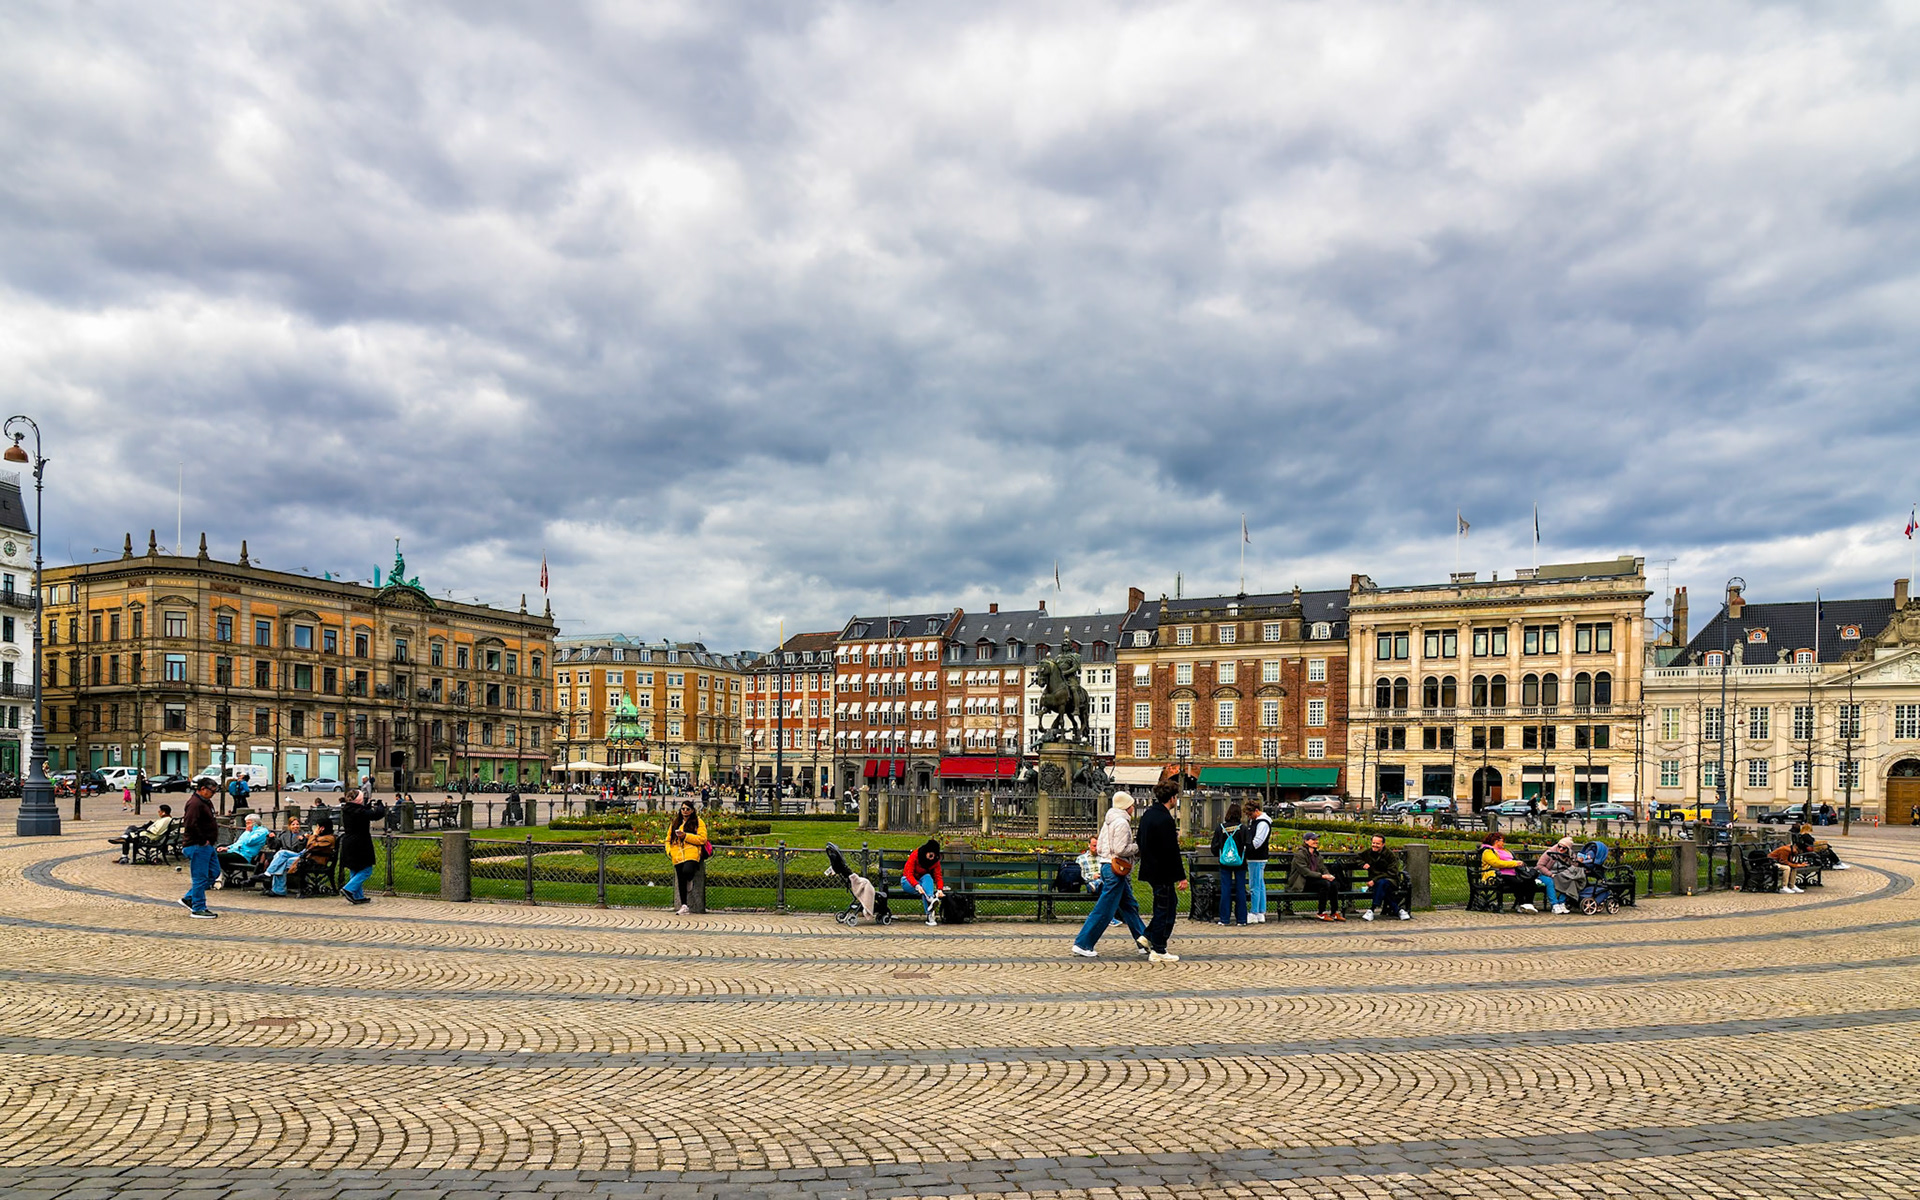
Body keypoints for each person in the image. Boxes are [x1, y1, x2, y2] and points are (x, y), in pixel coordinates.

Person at [1071, 792, 1151, 957]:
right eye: (1131, 804)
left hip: (1106, 866)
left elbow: (1100, 848)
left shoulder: (1108, 822)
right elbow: (1121, 849)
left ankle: (1145, 941)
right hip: (1116, 868)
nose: (1133, 807)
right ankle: (1083, 943)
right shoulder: (1121, 822)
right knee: (1105, 909)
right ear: (1126, 806)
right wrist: (1138, 847)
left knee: (1130, 906)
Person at [1137, 781, 1188, 962]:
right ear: (1172, 798)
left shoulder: (1148, 815)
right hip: (1163, 871)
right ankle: (1158, 948)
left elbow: (1139, 839)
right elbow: (1171, 850)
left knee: (1167, 904)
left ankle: (1149, 935)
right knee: (1164, 909)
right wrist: (1181, 876)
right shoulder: (1165, 819)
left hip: (1150, 868)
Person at [338, 787, 388, 905]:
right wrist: (380, 805)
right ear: (359, 799)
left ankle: (358, 895)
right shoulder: (359, 811)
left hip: (349, 842)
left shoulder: (349, 809)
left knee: (355, 868)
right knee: (366, 870)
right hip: (359, 843)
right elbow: (377, 815)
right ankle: (349, 889)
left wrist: (368, 806)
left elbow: (362, 812)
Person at [179, 778, 220, 918]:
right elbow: (190, 824)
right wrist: (203, 840)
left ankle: (190, 897)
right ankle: (198, 907)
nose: (213, 794)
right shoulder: (195, 804)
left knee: (214, 873)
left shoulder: (205, 802)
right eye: (212, 791)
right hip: (197, 845)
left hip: (205, 845)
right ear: (202, 789)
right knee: (200, 877)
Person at [1288, 832, 1343, 920]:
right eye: (1313, 840)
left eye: (1317, 840)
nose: (1316, 842)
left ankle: (1334, 912)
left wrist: (1328, 875)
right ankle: (1321, 912)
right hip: (1302, 882)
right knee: (1325, 884)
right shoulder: (1300, 854)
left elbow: (1322, 867)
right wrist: (1322, 876)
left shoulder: (1317, 855)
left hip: (1315, 880)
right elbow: (1305, 872)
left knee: (1334, 884)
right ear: (1306, 841)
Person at [1212, 803, 1251, 925]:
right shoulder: (1243, 828)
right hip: (1240, 863)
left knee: (1225, 890)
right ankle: (1242, 919)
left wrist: (1220, 854)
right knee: (1240, 890)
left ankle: (1224, 919)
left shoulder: (1220, 828)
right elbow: (1249, 845)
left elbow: (1214, 846)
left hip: (1224, 863)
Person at [666, 799, 707, 914]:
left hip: (691, 853)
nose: (685, 811)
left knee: (687, 870)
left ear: (692, 810)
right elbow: (668, 839)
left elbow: (702, 839)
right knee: (680, 879)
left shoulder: (698, 822)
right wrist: (670, 851)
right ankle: (684, 905)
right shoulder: (675, 823)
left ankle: (690, 879)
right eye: (683, 809)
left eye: (687, 809)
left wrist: (685, 836)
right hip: (677, 855)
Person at [1356, 835, 1408, 921]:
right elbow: (1356, 857)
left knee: (1382, 883)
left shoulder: (1390, 855)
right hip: (1377, 883)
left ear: (1383, 844)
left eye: (1377, 843)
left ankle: (1372, 909)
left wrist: (1374, 880)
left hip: (1390, 880)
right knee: (1384, 888)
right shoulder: (1368, 853)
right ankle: (1398, 910)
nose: (1375, 845)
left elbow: (1391, 873)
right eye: (1373, 843)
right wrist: (1362, 864)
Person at [214, 814, 273, 885]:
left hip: (246, 855)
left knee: (216, 856)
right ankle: (218, 877)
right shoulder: (248, 831)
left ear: (255, 823)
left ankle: (217, 878)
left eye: (248, 823)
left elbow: (249, 842)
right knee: (213, 853)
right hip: (237, 852)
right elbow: (239, 843)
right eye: (246, 823)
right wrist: (227, 848)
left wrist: (247, 832)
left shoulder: (262, 832)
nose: (246, 825)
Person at [1480, 833, 1533, 912]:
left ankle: (1528, 904)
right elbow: (1496, 863)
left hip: (1514, 873)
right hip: (1496, 875)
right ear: (1496, 841)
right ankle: (1522, 904)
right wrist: (1515, 863)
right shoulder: (1488, 852)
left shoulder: (1506, 851)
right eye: (1502, 841)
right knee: (1517, 882)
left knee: (1529, 881)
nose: (1503, 843)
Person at [902, 839, 949, 927]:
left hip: (923, 883)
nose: (932, 857)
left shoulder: (935, 861)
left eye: (934, 855)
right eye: (931, 854)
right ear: (926, 852)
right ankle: (930, 910)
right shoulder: (916, 855)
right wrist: (916, 886)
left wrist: (940, 889)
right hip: (908, 882)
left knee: (927, 878)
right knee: (925, 889)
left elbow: (938, 876)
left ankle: (930, 902)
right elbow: (909, 874)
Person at [1244, 799, 1273, 923]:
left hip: (1256, 857)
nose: (1250, 817)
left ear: (1256, 810)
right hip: (1259, 856)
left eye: (1251, 814)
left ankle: (1254, 912)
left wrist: (1245, 849)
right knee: (1260, 885)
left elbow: (1257, 842)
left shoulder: (1262, 823)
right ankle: (1261, 911)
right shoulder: (1258, 821)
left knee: (1254, 885)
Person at [1534, 837, 1579, 915]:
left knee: (1570, 880)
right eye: (1559, 846)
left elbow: (1574, 866)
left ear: (1568, 849)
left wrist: (1577, 861)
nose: (1561, 849)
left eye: (1564, 848)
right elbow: (1540, 866)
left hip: (1561, 875)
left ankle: (1562, 902)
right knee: (1550, 882)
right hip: (1544, 874)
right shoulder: (1550, 852)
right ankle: (1554, 905)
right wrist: (1550, 874)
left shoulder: (1571, 855)